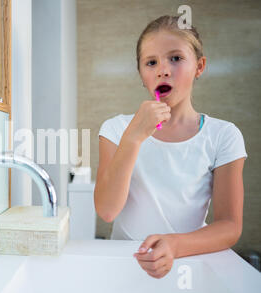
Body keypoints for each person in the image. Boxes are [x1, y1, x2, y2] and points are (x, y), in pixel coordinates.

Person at [94, 15, 247, 279]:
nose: (163, 69)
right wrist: (133, 137)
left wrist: (175, 245)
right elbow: (107, 211)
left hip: (189, 264)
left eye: (175, 58)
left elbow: (229, 226)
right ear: (142, 74)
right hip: (122, 264)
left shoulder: (224, 136)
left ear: (199, 66)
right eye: (151, 62)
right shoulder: (115, 129)